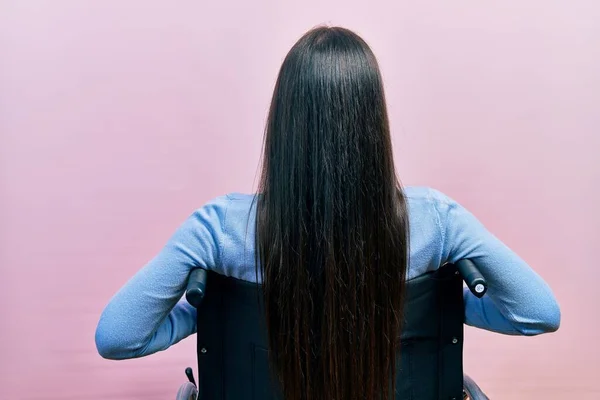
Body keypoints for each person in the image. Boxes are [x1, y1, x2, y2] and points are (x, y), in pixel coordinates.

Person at [95, 26, 560, 400]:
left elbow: (119, 338)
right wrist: (430, 310)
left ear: (284, 122)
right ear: (374, 124)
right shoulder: (437, 221)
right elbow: (536, 314)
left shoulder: (217, 229)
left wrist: (209, 314)